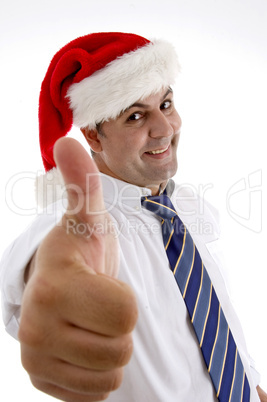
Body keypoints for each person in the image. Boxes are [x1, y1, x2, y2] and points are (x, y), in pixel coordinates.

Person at [0, 32, 266, 402]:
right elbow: (46, 273)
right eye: (136, 115)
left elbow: (212, 327)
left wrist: (252, 386)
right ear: (93, 135)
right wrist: (50, 294)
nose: (164, 129)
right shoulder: (78, 222)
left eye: (167, 104)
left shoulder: (185, 210)